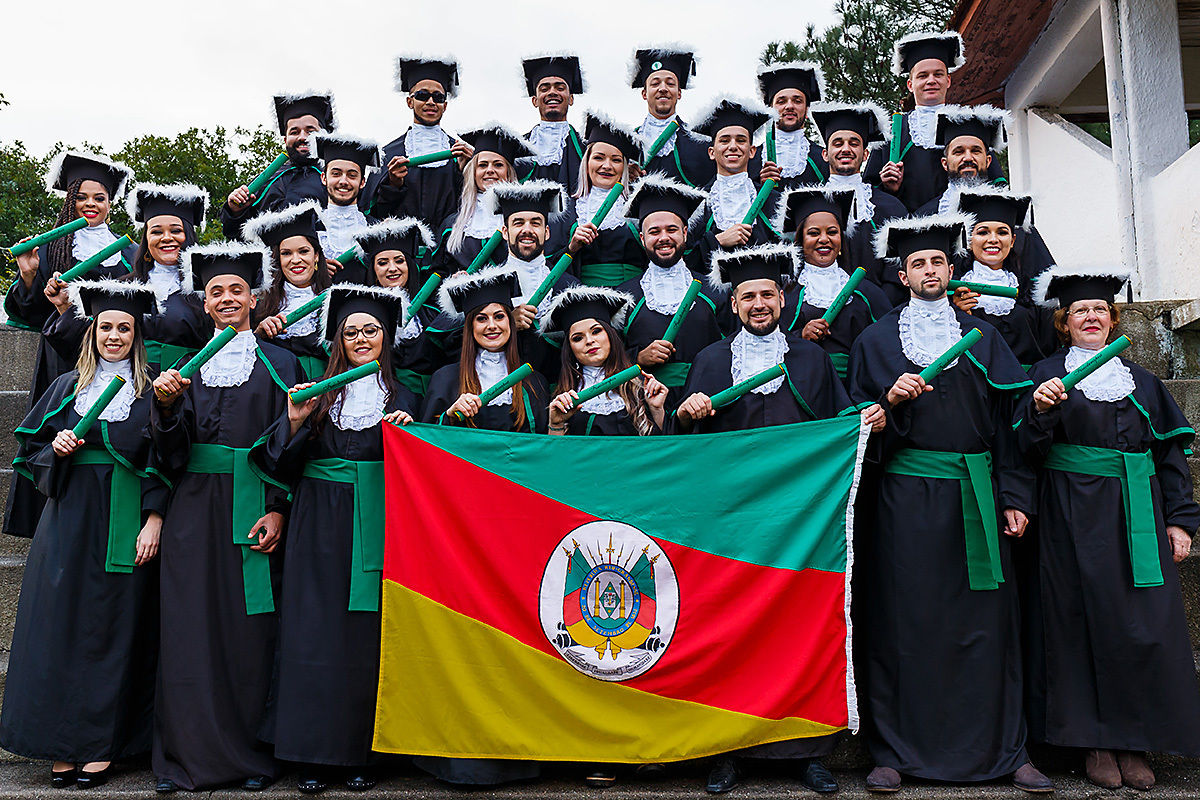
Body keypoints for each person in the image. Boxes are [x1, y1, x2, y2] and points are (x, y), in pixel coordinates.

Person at [847, 214, 1051, 794]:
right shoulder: (876, 340)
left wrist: (1013, 494)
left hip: (979, 494)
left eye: (938, 261)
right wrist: (885, 406)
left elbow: (1011, 423)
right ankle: (893, 751)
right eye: (918, 264)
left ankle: (1008, 748)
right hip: (904, 501)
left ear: (950, 268)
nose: (929, 270)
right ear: (904, 275)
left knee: (987, 624)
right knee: (906, 620)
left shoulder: (982, 336)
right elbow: (850, 424)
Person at [676, 243, 882, 795]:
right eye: (748, 296)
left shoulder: (811, 360)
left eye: (768, 293)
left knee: (802, 628)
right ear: (734, 305)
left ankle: (805, 753)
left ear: (784, 299)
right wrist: (690, 413)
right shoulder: (712, 362)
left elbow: (840, 426)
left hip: (801, 519)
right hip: (733, 520)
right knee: (729, 630)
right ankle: (728, 748)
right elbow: (689, 449)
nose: (759, 302)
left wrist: (864, 420)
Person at [1016, 266, 1200, 790]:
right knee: (1077, 623)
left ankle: (1133, 740)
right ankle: (1094, 742)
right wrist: (1041, 410)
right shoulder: (1045, 376)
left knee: (1141, 626)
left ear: (1113, 320)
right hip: (1067, 516)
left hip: (1136, 513)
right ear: (1064, 323)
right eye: (1080, 312)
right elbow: (1024, 448)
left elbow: (1169, 456)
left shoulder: (1141, 382)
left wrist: (1180, 521)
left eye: (1099, 310)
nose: (1090, 317)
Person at [149, 243, 303, 793]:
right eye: (217, 292)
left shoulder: (282, 363)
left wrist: (279, 508)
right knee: (187, 627)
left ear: (255, 298)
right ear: (205, 304)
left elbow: (295, 444)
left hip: (253, 505)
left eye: (237, 289)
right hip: (192, 509)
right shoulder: (180, 368)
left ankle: (247, 757)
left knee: (249, 632)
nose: (228, 298)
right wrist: (165, 410)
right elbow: (167, 453)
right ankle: (182, 758)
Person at [253, 284, 417, 794]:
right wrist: (294, 423)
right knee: (311, 631)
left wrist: (411, 437)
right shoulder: (314, 393)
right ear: (337, 341)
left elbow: (424, 472)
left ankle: (359, 754)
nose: (362, 338)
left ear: (386, 338)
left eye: (371, 330)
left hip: (376, 521)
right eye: (351, 332)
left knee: (363, 635)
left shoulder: (406, 395)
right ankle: (311, 755)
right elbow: (278, 463)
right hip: (316, 522)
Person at [0, 280, 164, 789]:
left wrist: (154, 518)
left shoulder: (152, 389)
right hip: (68, 520)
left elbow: (166, 458)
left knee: (114, 628)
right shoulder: (67, 386)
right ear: (90, 332)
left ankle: (100, 744)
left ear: (136, 337)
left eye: (124, 328)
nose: (113, 335)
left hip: (125, 517)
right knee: (60, 627)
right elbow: (29, 457)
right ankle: (60, 742)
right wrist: (59, 450)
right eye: (105, 327)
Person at [3, 150, 137, 540]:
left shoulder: (128, 254)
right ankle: (50, 521)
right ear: (70, 200)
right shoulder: (49, 249)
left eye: (100, 198)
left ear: (111, 203)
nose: (91, 205)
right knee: (59, 437)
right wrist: (28, 276)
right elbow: (28, 314)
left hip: (115, 358)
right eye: (82, 198)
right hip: (63, 361)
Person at [43, 182, 212, 374]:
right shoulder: (124, 287)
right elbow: (91, 344)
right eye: (156, 232)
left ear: (188, 236)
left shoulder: (206, 289)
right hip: (130, 385)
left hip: (188, 384)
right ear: (146, 241)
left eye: (176, 231)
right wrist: (64, 307)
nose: (166, 238)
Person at [863, 32, 1004, 212]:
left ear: (948, 80)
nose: (931, 81)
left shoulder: (971, 126)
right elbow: (870, 195)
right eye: (922, 76)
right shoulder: (893, 134)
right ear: (910, 84)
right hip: (911, 233)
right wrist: (888, 187)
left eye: (938, 74)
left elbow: (994, 185)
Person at [618, 174, 725, 410]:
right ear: (642, 237)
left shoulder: (714, 290)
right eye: (654, 232)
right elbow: (607, 357)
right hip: (643, 406)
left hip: (707, 404)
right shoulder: (623, 297)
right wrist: (638, 358)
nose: (664, 238)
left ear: (685, 233)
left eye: (672, 230)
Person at [775, 186, 891, 379]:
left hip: (857, 387)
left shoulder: (866, 291)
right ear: (800, 241)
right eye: (813, 233)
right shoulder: (787, 295)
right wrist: (800, 335)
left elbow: (886, 342)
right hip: (807, 386)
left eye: (832, 232)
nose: (824, 239)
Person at [421, 265, 550, 432]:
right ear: (470, 327)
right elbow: (425, 442)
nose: (492, 326)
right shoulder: (444, 380)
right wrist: (449, 417)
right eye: (481, 319)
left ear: (510, 322)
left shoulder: (535, 382)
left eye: (499, 317)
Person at [808, 103, 909, 304]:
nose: (846, 149)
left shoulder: (891, 208)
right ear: (825, 154)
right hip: (819, 311)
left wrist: (874, 310)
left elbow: (896, 273)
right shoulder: (808, 206)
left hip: (878, 313)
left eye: (854, 143)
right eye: (838, 143)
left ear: (865, 155)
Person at [949, 187, 1056, 368]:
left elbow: (1048, 347)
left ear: (1012, 240)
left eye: (1002, 232)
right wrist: (958, 313)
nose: (993, 239)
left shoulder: (1031, 291)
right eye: (983, 232)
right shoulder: (953, 291)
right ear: (968, 241)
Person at [543, 286, 667, 437]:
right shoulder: (563, 397)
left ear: (610, 335)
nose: (589, 341)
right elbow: (556, 456)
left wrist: (657, 409)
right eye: (578, 338)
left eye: (596, 331)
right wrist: (556, 424)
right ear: (570, 349)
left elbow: (660, 450)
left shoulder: (640, 386)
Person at [368, 56, 472, 231]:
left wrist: (467, 171)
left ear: (444, 105)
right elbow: (374, 213)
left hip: (447, 249)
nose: (430, 102)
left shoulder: (460, 153)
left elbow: (471, 206)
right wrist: (393, 184)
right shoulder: (388, 153)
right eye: (422, 95)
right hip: (402, 251)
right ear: (410, 101)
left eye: (438, 97)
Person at [221, 92, 335, 239]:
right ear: (285, 139)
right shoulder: (266, 179)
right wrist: (235, 211)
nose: (302, 137)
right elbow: (236, 234)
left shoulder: (335, 181)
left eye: (310, 131)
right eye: (294, 132)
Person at [352, 218, 441, 399]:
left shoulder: (432, 313)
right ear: (374, 272)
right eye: (383, 263)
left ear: (409, 265)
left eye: (399, 261)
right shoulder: (360, 317)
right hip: (381, 399)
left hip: (427, 398)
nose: (392, 268)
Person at [690, 97, 783, 270]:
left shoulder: (774, 201)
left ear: (752, 151)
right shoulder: (696, 204)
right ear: (712, 152)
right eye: (724, 140)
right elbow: (687, 261)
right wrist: (718, 241)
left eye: (741, 140)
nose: (733, 146)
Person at [245, 201, 334, 380]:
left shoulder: (335, 301)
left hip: (325, 387)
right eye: (286, 253)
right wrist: (260, 334)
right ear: (278, 259)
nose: (296, 260)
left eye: (303, 251)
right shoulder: (259, 305)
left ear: (316, 255)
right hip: (275, 386)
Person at [555, 111, 645, 287]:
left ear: (625, 167)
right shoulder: (568, 209)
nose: (607, 166)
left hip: (632, 295)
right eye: (598, 157)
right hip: (585, 302)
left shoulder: (640, 206)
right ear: (586, 162)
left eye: (616, 160)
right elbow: (549, 264)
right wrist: (571, 248)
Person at [435, 123, 534, 275]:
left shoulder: (526, 222)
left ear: (509, 173)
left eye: (498, 165)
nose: (490, 170)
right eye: (482, 165)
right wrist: (453, 283)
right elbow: (438, 272)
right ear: (473, 173)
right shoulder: (451, 225)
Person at [630, 46, 715, 189]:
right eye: (655, 84)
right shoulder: (629, 143)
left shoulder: (700, 141)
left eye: (670, 83)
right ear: (644, 94)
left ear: (679, 93)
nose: (663, 89)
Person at [913, 105, 1012, 217]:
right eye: (959, 152)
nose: (968, 158)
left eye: (975, 151)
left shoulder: (1008, 211)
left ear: (988, 161)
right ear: (945, 163)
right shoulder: (924, 217)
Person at [310, 132, 383, 273]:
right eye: (336, 174)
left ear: (362, 182)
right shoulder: (309, 227)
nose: (343, 181)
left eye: (352, 175)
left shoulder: (375, 229)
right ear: (324, 178)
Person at [751, 62, 829, 190]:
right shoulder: (751, 159)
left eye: (797, 101)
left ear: (807, 109)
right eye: (781, 101)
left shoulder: (823, 159)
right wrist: (759, 185)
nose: (789, 106)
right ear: (770, 109)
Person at [520, 53, 586, 193]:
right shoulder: (518, 148)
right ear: (535, 101)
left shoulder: (586, 147)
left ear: (571, 99)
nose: (552, 92)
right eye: (544, 89)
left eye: (560, 88)